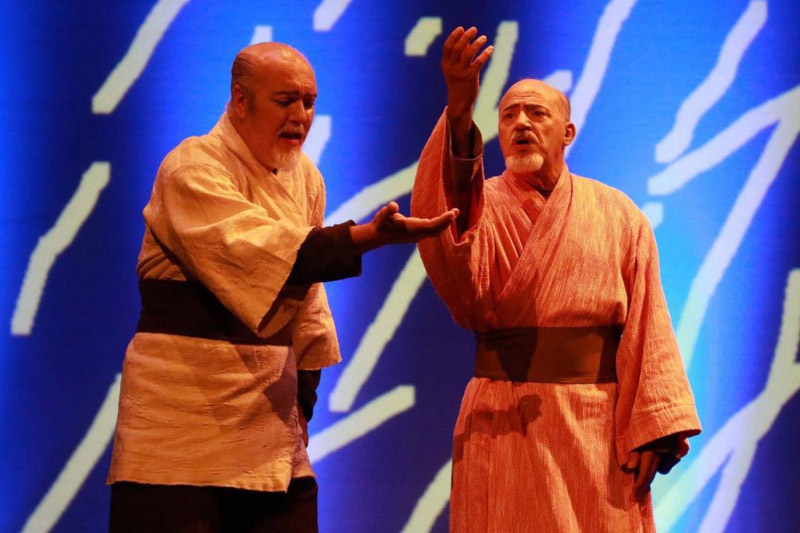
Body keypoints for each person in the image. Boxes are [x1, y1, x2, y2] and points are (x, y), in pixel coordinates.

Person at [106, 41, 457, 532]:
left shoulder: (305, 179)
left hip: (269, 429)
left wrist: (302, 402)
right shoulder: (192, 167)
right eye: (285, 100)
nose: (300, 116)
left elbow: (308, 306)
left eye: (309, 102)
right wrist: (369, 236)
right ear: (240, 100)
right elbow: (262, 252)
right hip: (180, 425)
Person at [410, 26, 702, 532]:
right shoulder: (483, 204)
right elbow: (450, 222)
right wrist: (460, 109)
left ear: (567, 133)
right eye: (508, 115)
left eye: (536, 113)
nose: (521, 123)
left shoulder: (618, 214)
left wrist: (652, 429)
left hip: (596, 425)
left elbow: (648, 323)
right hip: (504, 418)